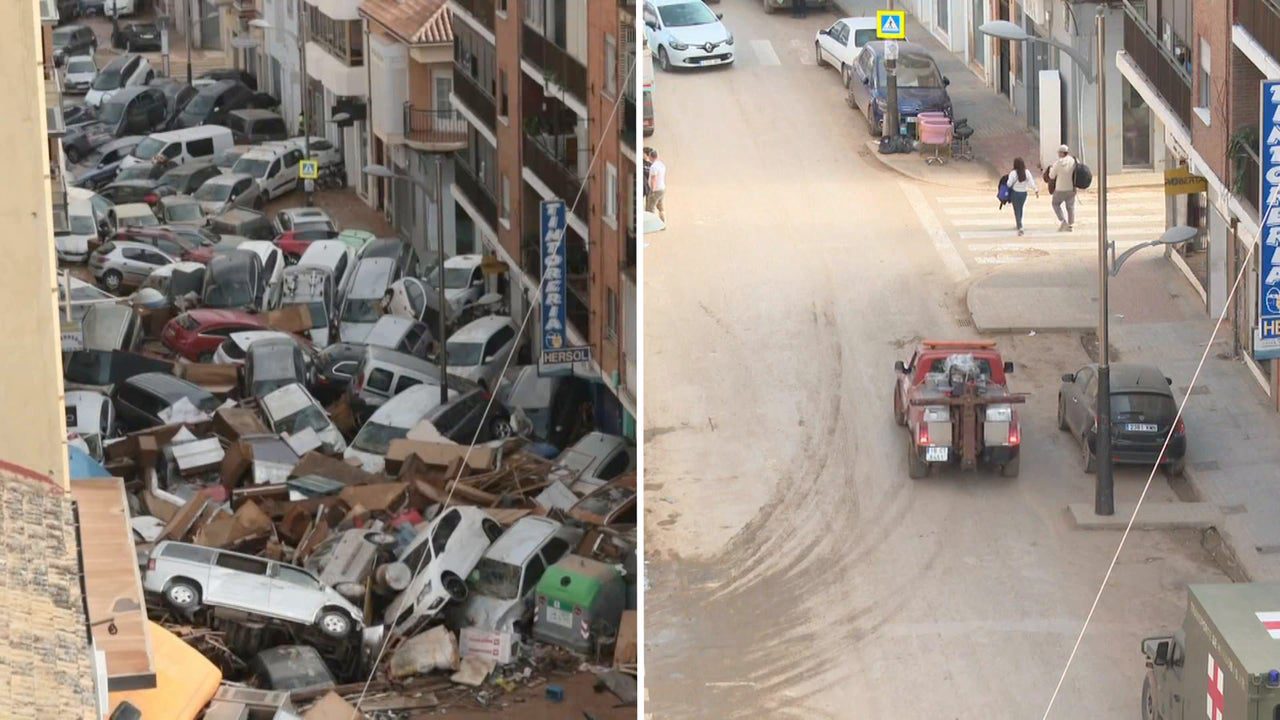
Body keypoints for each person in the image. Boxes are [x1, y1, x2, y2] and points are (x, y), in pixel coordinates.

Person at [1047, 144, 1078, 232]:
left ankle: (1063, 221)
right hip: (1071, 188)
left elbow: (1051, 176)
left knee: (1055, 204)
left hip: (1060, 189)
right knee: (1070, 207)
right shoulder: (1073, 161)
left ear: (1061, 153)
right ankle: (1071, 225)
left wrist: (1050, 170)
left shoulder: (1058, 163)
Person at [1005, 157, 1038, 236]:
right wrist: (1036, 190)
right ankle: (1019, 223)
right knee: (1020, 208)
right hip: (1024, 194)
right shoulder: (1027, 172)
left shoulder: (1013, 173)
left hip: (1015, 193)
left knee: (1017, 210)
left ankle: (1020, 226)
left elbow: (1009, 184)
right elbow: (1031, 183)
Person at [647, 148, 667, 223]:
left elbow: (653, 179)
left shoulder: (653, 167)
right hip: (662, 188)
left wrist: (652, 190)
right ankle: (663, 222)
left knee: (650, 207)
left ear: (650, 157)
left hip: (656, 190)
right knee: (660, 206)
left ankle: (651, 223)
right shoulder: (661, 165)